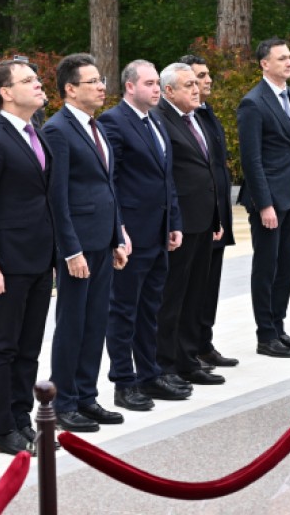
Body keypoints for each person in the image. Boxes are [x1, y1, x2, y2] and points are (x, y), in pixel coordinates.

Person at [0, 59, 56, 456]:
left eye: (36, 79)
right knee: (3, 346)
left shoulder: (36, 134)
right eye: (28, 81)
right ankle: (3, 430)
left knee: (29, 346)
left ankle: (22, 420)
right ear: (5, 92)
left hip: (39, 259)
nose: (38, 85)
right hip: (7, 262)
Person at [42, 53, 129, 433]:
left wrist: (116, 236)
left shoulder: (97, 127)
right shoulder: (58, 130)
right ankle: (62, 403)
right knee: (73, 324)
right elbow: (57, 197)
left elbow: (107, 186)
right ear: (70, 89)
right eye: (92, 81)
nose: (101, 86)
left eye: (101, 79)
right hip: (77, 247)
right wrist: (71, 250)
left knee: (96, 321)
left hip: (101, 240)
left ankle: (87, 396)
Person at [98, 60, 186, 411]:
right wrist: (118, 230)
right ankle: (124, 381)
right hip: (132, 236)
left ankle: (149, 373)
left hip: (159, 232)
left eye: (156, 83)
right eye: (149, 83)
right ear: (130, 86)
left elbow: (167, 178)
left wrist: (174, 221)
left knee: (151, 308)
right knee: (124, 310)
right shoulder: (113, 122)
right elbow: (111, 182)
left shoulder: (157, 121)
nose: (156, 89)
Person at [236, 38, 290, 359]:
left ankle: (279, 327)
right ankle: (265, 334)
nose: (288, 62)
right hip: (268, 200)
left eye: (289, 57)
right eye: (281, 58)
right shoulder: (253, 103)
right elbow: (251, 160)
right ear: (264, 64)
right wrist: (265, 203)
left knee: (287, 266)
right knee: (266, 266)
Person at [154, 63, 225, 387]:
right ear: (168, 91)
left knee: (195, 296)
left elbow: (211, 168)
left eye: (196, 83)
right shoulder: (161, 119)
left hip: (203, 219)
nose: (196, 89)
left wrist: (216, 216)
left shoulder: (197, 117)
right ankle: (165, 365)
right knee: (173, 299)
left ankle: (187, 360)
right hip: (178, 223)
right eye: (187, 85)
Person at [179, 54, 238, 370]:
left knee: (210, 284)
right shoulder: (184, 118)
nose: (207, 80)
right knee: (193, 288)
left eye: (206, 74)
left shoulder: (206, 113)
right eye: (200, 76)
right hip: (195, 216)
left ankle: (203, 341)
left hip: (215, 214)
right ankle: (189, 348)